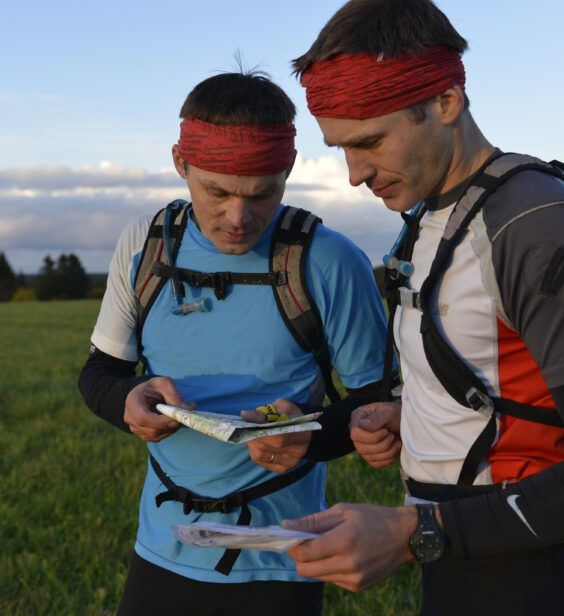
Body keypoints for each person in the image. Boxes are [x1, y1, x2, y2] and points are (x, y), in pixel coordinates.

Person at [265, 0, 564, 615]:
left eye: (370, 141)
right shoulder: (437, 213)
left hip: (533, 580)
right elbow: (490, 381)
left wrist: (420, 533)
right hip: (464, 565)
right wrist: (347, 426)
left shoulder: (531, 223)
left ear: (446, 100)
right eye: (341, 148)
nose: (353, 173)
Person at [77, 70, 393, 616]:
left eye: (262, 194)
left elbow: (376, 403)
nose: (238, 217)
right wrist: (126, 401)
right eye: (216, 192)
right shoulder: (147, 244)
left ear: (288, 170)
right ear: (181, 164)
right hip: (161, 547)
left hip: (278, 558)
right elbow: (99, 373)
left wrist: (309, 436)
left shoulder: (329, 260)